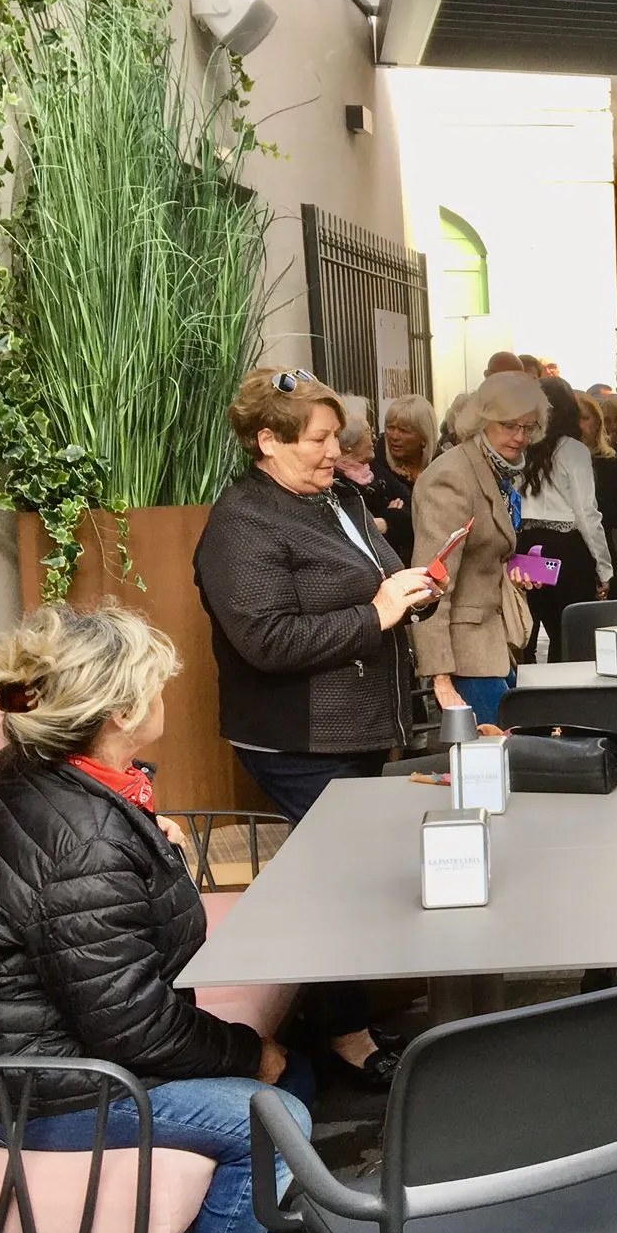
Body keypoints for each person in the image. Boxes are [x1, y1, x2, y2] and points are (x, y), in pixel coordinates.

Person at [0, 603, 307, 1233]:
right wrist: (249, 1053)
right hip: (30, 1088)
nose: (166, 694)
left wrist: (149, 844)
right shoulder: (83, 836)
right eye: (154, 686)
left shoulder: (36, 773)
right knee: (274, 1119)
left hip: (21, 1053)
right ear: (120, 713)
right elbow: (132, 1024)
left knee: (285, 1085)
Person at [195, 366, 434, 1089]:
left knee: (351, 875)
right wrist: (378, 614)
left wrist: (413, 592)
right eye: (319, 439)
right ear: (267, 440)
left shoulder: (335, 498)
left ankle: (345, 1017)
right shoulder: (242, 524)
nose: (336, 451)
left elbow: (380, 578)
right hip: (298, 739)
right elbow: (266, 641)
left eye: (336, 436)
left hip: (354, 728)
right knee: (343, 881)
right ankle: (343, 1036)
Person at [410, 372, 542, 725]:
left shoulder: (495, 470)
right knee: (499, 750)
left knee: (509, 746)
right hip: (463, 654)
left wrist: (513, 572)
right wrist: (439, 677)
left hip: (492, 646)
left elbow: (482, 555)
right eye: (509, 425)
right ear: (482, 420)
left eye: (528, 427)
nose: (520, 436)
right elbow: (430, 582)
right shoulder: (452, 476)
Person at [517, 377, 615, 660]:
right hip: (565, 549)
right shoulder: (573, 450)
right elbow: (587, 514)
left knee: (528, 634)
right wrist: (604, 567)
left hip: (527, 546)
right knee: (572, 638)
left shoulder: (522, 448)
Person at [335, 395, 412, 561]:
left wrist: (386, 521)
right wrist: (390, 517)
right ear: (349, 445)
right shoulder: (337, 481)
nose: (374, 438)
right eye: (367, 432)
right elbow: (356, 532)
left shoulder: (375, 469)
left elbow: (411, 507)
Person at [579, 391, 617, 590]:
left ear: (597, 423)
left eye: (584, 418)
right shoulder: (555, 463)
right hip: (574, 549)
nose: (578, 425)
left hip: (609, 543)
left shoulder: (612, 463)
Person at [376, 394, 436, 563]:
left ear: (423, 437)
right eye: (390, 427)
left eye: (404, 431)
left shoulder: (441, 467)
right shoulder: (374, 470)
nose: (394, 436)